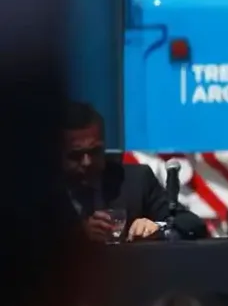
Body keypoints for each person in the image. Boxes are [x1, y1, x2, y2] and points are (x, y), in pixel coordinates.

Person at [64, 101, 205, 242]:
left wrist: (157, 228)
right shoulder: (44, 190)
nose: (87, 162)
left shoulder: (135, 180)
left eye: (95, 151)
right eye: (75, 155)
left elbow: (191, 224)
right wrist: (80, 234)